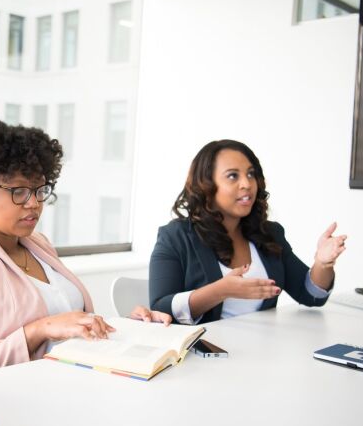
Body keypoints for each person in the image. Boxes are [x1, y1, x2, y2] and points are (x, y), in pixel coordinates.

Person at [0, 115, 171, 381]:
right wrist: (38, 330)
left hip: (76, 388)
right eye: (19, 191)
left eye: (39, 190)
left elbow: (69, 328)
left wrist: (128, 328)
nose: (34, 204)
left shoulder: (39, 244)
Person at [145, 139, 347, 325]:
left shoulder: (269, 234)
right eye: (233, 176)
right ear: (206, 185)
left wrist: (323, 263)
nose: (247, 184)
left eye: (250, 174)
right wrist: (221, 290)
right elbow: (161, 307)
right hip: (204, 356)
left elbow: (312, 295)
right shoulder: (176, 237)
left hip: (261, 353)